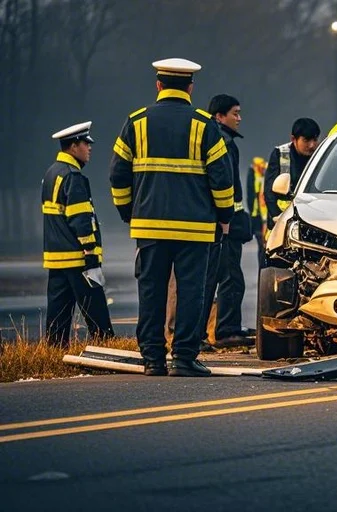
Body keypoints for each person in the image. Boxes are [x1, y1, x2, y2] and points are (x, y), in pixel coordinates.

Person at [109, 58, 234, 377]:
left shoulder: (135, 122)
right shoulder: (205, 124)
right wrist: (224, 217)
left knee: (151, 290)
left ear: (158, 85)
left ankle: (152, 359)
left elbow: (117, 174)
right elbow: (221, 178)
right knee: (192, 291)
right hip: (194, 230)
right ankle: (183, 357)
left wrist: (128, 211)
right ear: (191, 87)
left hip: (149, 225)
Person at [43, 121, 114, 348]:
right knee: (96, 308)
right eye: (85, 143)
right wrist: (90, 251)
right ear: (73, 147)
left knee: (58, 312)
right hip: (78, 257)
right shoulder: (73, 176)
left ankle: (54, 352)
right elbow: (81, 219)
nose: (89, 148)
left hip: (56, 258)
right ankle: (108, 348)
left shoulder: (52, 173)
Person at [201, 94, 253, 348]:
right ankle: (226, 330)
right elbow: (225, 185)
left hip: (222, 222)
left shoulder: (216, 138)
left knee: (213, 277)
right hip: (225, 225)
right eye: (235, 113)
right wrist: (228, 221)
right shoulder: (223, 142)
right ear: (220, 116)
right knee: (230, 278)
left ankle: (207, 331)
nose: (239, 118)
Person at [263, 118, 321, 232]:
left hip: (312, 222)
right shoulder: (280, 154)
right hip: (280, 221)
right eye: (306, 140)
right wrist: (277, 218)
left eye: (315, 140)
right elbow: (269, 192)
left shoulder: (320, 155)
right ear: (293, 139)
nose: (311, 145)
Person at [247, 156, 268, 268]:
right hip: (257, 216)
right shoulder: (253, 174)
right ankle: (262, 268)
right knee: (261, 246)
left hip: (263, 216)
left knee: (263, 246)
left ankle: (263, 268)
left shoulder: (264, 174)